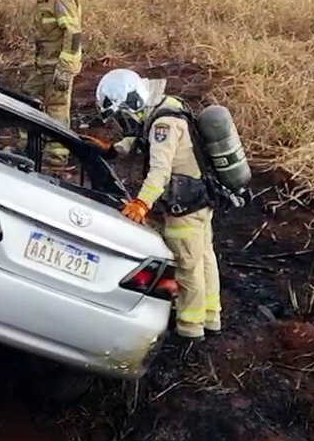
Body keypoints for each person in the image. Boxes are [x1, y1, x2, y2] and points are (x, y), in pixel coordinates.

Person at [87, 68, 225, 343]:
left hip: (184, 205)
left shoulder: (165, 125)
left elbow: (160, 170)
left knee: (187, 266)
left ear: (132, 103)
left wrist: (141, 203)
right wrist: (113, 149)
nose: (122, 122)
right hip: (198, 199)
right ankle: (210, 317)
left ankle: (190, 327)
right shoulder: (163, 109)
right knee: (203, 257)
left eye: (122, 115)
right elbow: (140, 137)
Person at [11, 0, 83, 167]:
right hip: (44, 66)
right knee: (26, 99)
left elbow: (73, 34)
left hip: (57, 67)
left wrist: (65, 69)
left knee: (57, 109)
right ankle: (26, 146)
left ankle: (56, 160)